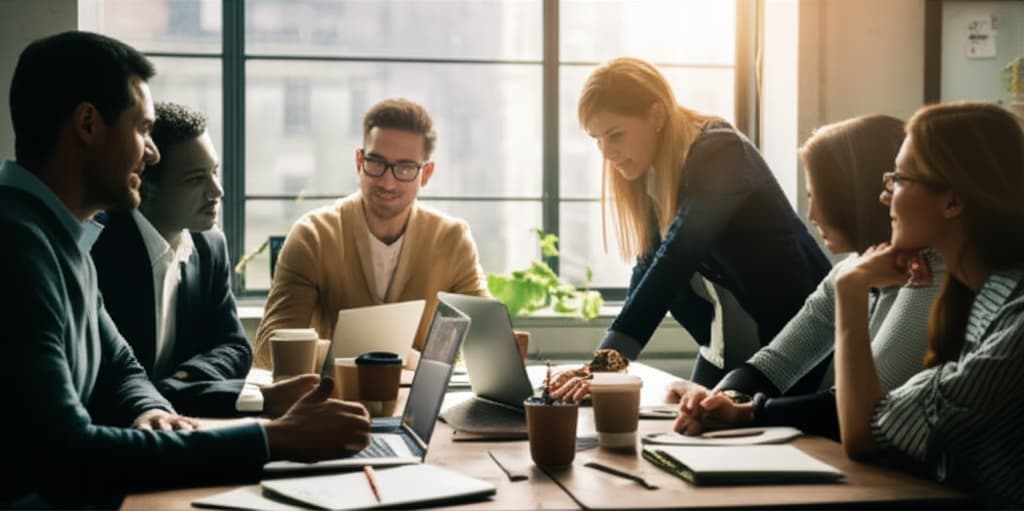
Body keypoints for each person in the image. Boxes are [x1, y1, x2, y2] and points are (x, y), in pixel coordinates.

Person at [0, 31, 369, 507]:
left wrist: (151, 409)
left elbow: (119, 368)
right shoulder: (16, 249)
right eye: (141, 129)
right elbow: (68, 453)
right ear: (88, 124)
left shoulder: (61, 235)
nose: (150, 153)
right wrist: (274, 439)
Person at [551, 57, 831, 399]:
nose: (607, 152)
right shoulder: (654, 173)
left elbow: (676, 257)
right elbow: (648, 266)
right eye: (597, 140)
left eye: (616, 135)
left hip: (796, 340)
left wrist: (608, 366)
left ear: (656, 115)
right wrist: (601, 366)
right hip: (727, 343)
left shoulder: (721, 152)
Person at [669, 114, 944, 440]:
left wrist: (750, 413)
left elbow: (866, 407)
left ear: (851, 194)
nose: (811, 215)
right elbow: (775, 364)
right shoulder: (849, 269)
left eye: (816, 197)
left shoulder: (931, 274)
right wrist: (719, 398)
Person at [832, 102, 1024, 506]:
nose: (884, 196)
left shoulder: (1015, 320)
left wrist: (850, 292)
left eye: (899, 179)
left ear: (952, 202)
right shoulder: (981, 295)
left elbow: (865, 432)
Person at [92, 101, 315, 417]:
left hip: (178, 420)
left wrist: (177, 383)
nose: (218, 191)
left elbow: (234, 348)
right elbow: (101, 381)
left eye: (214, 172)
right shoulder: (97, 246)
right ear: (146, 184)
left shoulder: (209, 244)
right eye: (196, 179)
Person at [253, 98, 487, 368]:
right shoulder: (312, 236)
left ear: (426, 173)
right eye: (376, 163)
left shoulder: (452, 239)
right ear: (358, 161)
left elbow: (485, 343)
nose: (387, 182)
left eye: (405, 168)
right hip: (332, 402)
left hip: (419, 404)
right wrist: (401, 358)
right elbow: (268, 352)